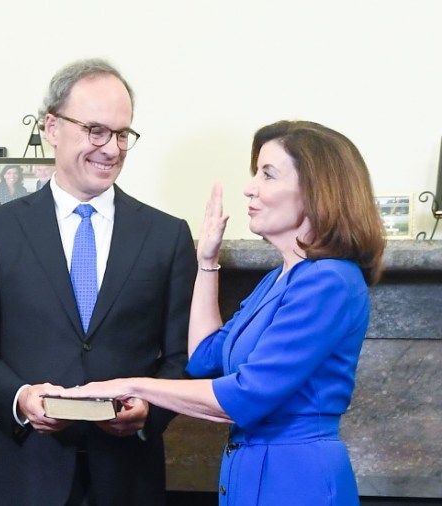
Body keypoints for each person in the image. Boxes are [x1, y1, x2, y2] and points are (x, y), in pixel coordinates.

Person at [61, 120, 386, 505]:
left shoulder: (329, 281)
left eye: (267, 174)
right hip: (251, 474)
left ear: (317, 191)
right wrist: (207, 261)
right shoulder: (279, 279)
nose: (249, 187)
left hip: (297, 480)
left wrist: (130, 385)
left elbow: (245, 396)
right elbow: (204, 357)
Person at [0, 58, 197, 505]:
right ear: (52, 127)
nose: (112, 149)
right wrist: (20, 398)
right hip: (22, 474)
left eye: (122, 134)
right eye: (96, 130)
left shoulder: (167, 236)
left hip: (127, 478)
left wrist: (149, 411)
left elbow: (182, 357)